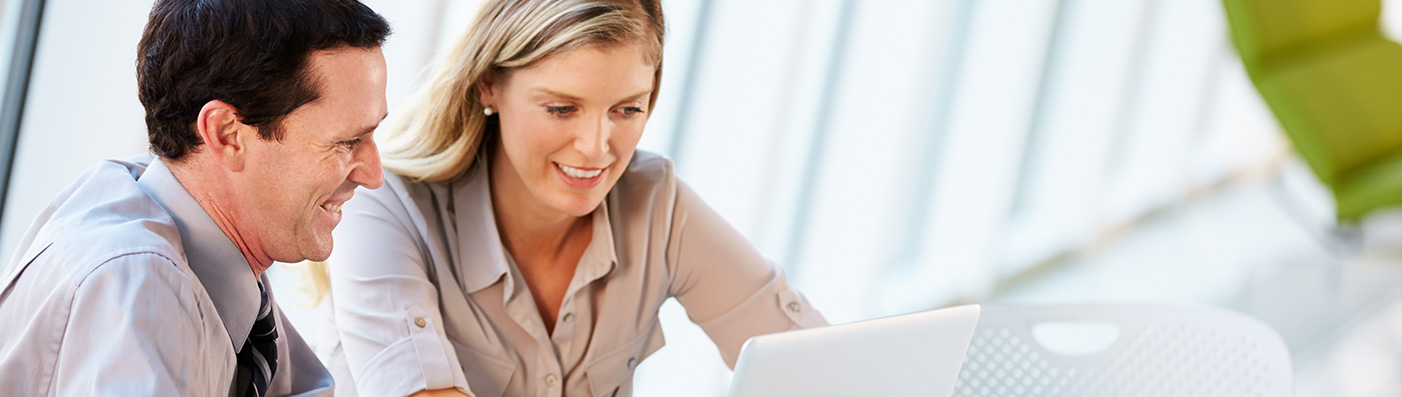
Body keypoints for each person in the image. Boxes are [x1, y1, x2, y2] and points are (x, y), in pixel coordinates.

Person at [312, 0, 829, 396]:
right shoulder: (383, 205)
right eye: (562, 108)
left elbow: (822, 371)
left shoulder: (656, 206)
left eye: (627, 110)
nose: (596, 147)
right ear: (489, 84)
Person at [0, 0, 390, 395]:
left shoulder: (208, 249)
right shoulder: (138, 290)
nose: (374, 175)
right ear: (226, 134)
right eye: (347, 142)